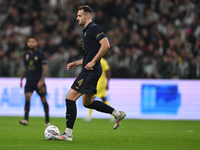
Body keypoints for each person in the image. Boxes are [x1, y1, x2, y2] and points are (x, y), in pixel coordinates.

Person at [51, 5, 126, 141]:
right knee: (87, 103)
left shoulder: (94, 29)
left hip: (90, 71)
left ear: (87, 16)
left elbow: (106, 45)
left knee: (70, 98)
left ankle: (68, 134)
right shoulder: (86, 32)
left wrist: (93, 62)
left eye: (79, 16)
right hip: (91, 69)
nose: (77, 18)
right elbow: (88, 57)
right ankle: (117, 113)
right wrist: (77, 62)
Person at [19, 36, 50, 126]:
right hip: (29, 81)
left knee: (43, 99)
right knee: (27, 98)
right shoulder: (26, 55)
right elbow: (25, 68)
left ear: (36, 43)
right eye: (29, 42)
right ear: (27, 43)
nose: (31, 43)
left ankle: (47, 120)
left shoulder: (40, 54)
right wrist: (21, 79)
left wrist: (41, 80)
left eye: (33, 42)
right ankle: (26, 119)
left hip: (38, 81)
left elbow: (44, 68)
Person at [83, 57, 114, 122]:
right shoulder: (101, 61)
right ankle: (113, 115)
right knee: (104, 98)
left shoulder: (101, 61)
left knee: (90, 99)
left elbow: (107, 72)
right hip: (100, 83)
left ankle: (89, 117)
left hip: (99, 83)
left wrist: (108, 83)